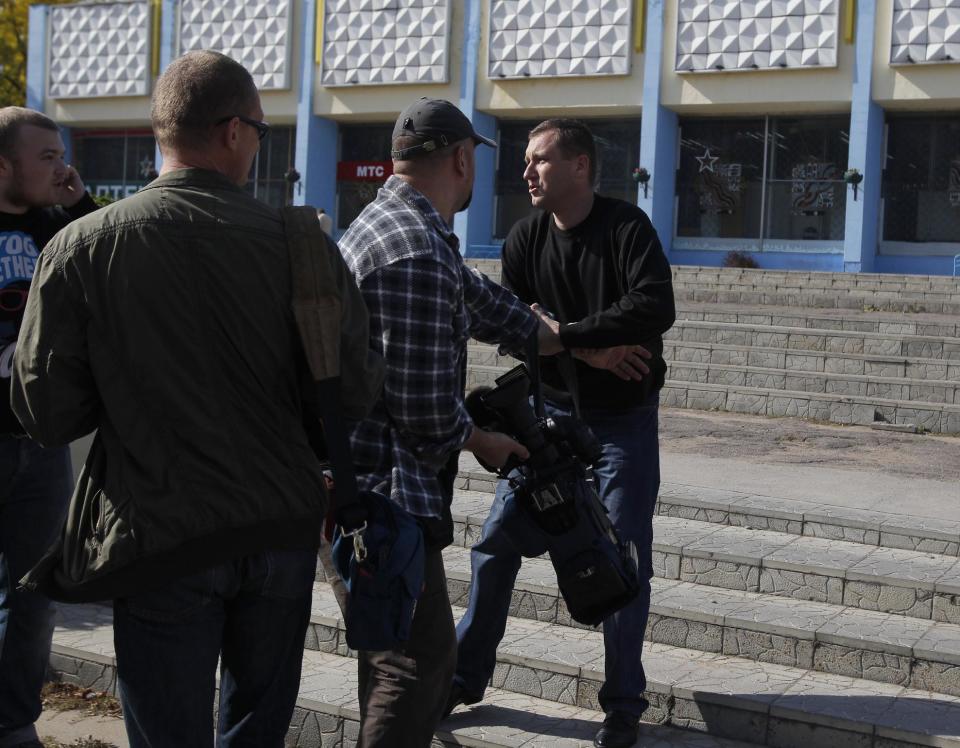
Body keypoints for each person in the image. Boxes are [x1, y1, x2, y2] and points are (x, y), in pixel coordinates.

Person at [11, 51, 381, 747]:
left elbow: (47, 412)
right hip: (278, 529)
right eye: (263, 132)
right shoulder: (302, 246)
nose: (261, 147)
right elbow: (355, 391)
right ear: (233, 131)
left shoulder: (81, 245)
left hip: (156, 535)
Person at [337, 97, 567, 747]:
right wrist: (488, 441)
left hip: (371, 493)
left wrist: (559, 336)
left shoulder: (396, 226)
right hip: (385, 499)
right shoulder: (413, 252)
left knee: (394, 660)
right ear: (462, 158)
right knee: (415, 666)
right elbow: (427, 416)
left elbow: (475, 298)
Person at [449, 118, 676, 748]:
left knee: (623, 558)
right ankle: (464, 679)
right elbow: (516, 327)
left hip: (622, 427)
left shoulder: (626, 228)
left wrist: (568, 337)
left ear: (580, 166)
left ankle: (623, 704)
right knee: (495, 545)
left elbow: (656, 307)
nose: (527, 172)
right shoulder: (523, 239)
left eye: (540, 160)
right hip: (542, 422)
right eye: (526, 159)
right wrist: (595, 352)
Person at [0, 106, 96, 748]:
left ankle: (12, 723)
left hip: (38, 443)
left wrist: (81, 199)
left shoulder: (57, 227)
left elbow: (119, 261)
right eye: (46, 157)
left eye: (62, 155)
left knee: (33, 600)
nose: (60, 167)